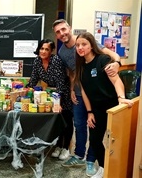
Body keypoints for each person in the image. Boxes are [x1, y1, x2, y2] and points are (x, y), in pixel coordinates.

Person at [52, 19, 121, 176]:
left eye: (63, 29)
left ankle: (91, 160)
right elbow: (72, 73)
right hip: (78, 92)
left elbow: (112, 55)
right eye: (58, 32)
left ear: (69, 28)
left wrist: (117, 63)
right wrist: (71, 89)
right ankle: (79, 155)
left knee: (94, 129)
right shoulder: (62, 52)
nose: (62, 33)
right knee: (79, 124)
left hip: (94, 95)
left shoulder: (85, 41)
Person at [74, 32, 133, 178]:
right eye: (77, 45)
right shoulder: (80, 67)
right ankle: (103, 168)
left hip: (113, 106)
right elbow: (85, 92)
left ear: (91, 45)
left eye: (84, 44)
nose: (80, 47)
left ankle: (119, 170)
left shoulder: (103, 60)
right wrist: (89, 112)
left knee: (117, 141)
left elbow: (116, 81)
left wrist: (121, 98)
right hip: (97, 109)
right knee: (94, 140)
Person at [27, 39, 73, 161]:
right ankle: (58, 146)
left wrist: (58, 102)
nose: (43, 51)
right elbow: (33, 79)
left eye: (47, 49)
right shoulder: (37, 61)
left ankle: (66, 148)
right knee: (57, 121)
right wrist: (25, 90)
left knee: (66, 120)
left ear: (51, 51)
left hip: (64, 92)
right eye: (42, 48)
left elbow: (61, 82)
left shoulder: (56, 60)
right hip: (53, 94)